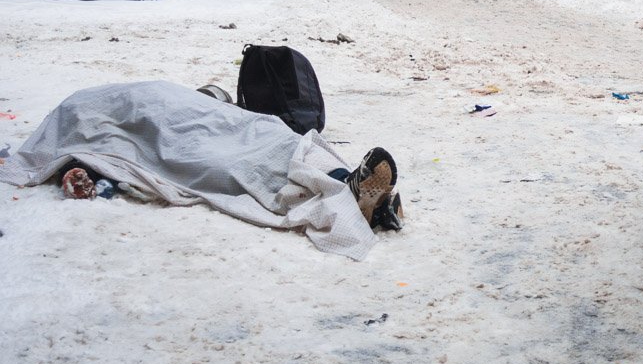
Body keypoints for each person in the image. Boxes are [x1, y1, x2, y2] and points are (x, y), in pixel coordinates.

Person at [0, 81, 403, 260]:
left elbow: (215, 111)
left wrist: (218, 104)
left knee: (273, 136)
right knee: (232, 163)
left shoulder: (192, 99)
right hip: (180, 130)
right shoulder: (94, 105)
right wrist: (78, 166)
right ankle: (349, 192)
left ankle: (350, 187)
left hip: (227, 125)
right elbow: (101, 141)